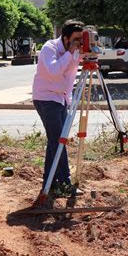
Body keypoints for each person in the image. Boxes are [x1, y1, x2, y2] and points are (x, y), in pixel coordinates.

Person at [32, 19, 84, 193]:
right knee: (59, 140)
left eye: (81, 38)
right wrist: (70, 53)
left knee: (55, 141)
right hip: (46, 99)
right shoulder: (49, 48)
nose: (79, 42)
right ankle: (63, 181)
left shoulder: (75, 50)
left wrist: (89, 50)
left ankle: (50, 182)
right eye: (76, 39)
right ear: (66, 37)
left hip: (62, 99)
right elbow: (54, 71)